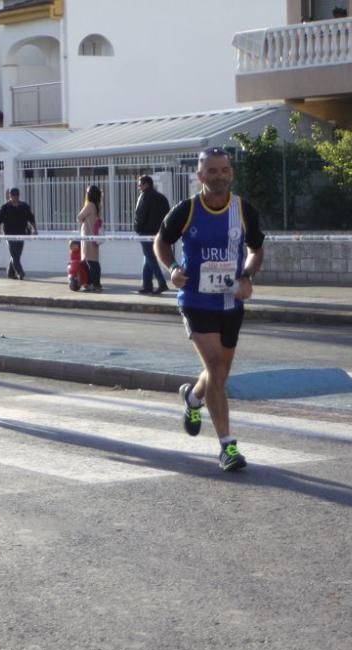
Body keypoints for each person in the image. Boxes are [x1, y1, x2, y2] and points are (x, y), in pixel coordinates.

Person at [154, 147, 265, 472]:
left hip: (231, 302)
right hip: (196, 300)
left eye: (224, 170)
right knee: (216, 368)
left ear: (231, 173)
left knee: (219, 373)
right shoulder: (186, 210)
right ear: (200, 176)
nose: (219, 175)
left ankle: (192, 398)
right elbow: (161, 242)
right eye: (212, 171)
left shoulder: (243, 210)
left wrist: (246, 276)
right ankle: (227, 447)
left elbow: (256, 250)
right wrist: (173, 268)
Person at [134, 175, 171, 295]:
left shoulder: (144, 197)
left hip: (146, 232)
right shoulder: (161, 197)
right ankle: (147, 285)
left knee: (150, 258)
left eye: (140, 184)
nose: (139, 186)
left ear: (146, 184)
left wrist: (137, 229)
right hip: (158, 233)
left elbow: (140, 215)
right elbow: (168, 215)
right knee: (147, 258)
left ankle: (162, 283)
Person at [0, 187, 37, 279]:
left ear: (19, 195)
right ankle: (20, 272)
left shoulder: (24, 206)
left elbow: (31, 218)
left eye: (16, 194)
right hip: (9, 235)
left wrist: (35, 230)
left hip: (21, 234)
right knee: (14, 254)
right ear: (10, 195)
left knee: (16, 255)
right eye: (13, 194)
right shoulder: (5, 207)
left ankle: (10, 273)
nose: (15, 197)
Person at [77, 184, 104, 292]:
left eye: (87, 192)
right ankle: (91, 283)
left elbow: (79, 217)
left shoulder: (89, 205)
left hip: (88, 236)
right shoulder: (97, 205)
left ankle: (94, 284)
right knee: (93, 261)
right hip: (94, 236)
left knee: (90, 262)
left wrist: (83, 220)